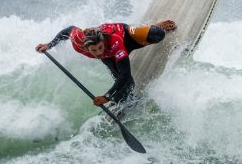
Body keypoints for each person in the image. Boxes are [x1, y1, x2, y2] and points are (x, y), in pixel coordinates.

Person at [36, 20, 176, 106]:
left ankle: (152, 26)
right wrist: (49, 45)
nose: (98, 52)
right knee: (127, 87)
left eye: (100, 48)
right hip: (110, 55)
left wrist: (106, 97)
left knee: (157, 35)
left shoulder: (114, 41)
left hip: (127, 37)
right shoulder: (78, 38)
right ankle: (128, 102)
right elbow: (67, 30)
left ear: (103, 42)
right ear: (86, 48)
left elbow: (125, 74)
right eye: (94, 50)